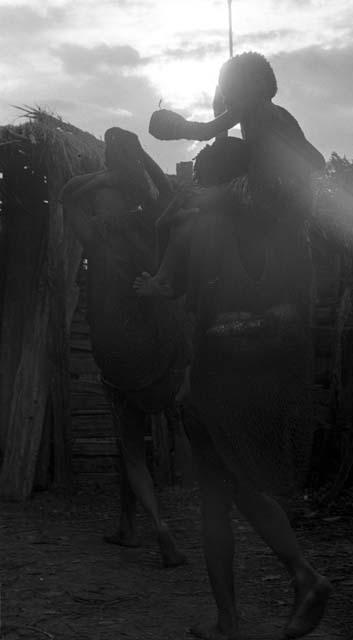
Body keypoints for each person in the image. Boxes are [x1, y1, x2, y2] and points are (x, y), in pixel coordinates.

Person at [135, 64, 331, 638]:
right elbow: (311, 165)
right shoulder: (278, 145)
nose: (224, 97)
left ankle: (301, 576)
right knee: (222, 490)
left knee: (226, 489)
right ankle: (228, 619)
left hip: (222, 360)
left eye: (228, 86)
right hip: (269, 345)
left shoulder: (250, 140)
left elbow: (174, 287)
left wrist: (177, 129)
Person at [61, 127, 189, 567]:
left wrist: (102, 176)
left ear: (104, 200)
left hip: (120, 357)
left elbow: (66, 196)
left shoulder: (96, 238)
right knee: (160, 428)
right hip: (165, 351)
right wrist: (138, 159)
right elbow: (169, 190)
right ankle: (127, 525)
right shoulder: (151, 221)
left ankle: (158, 527)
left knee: (130, 447)